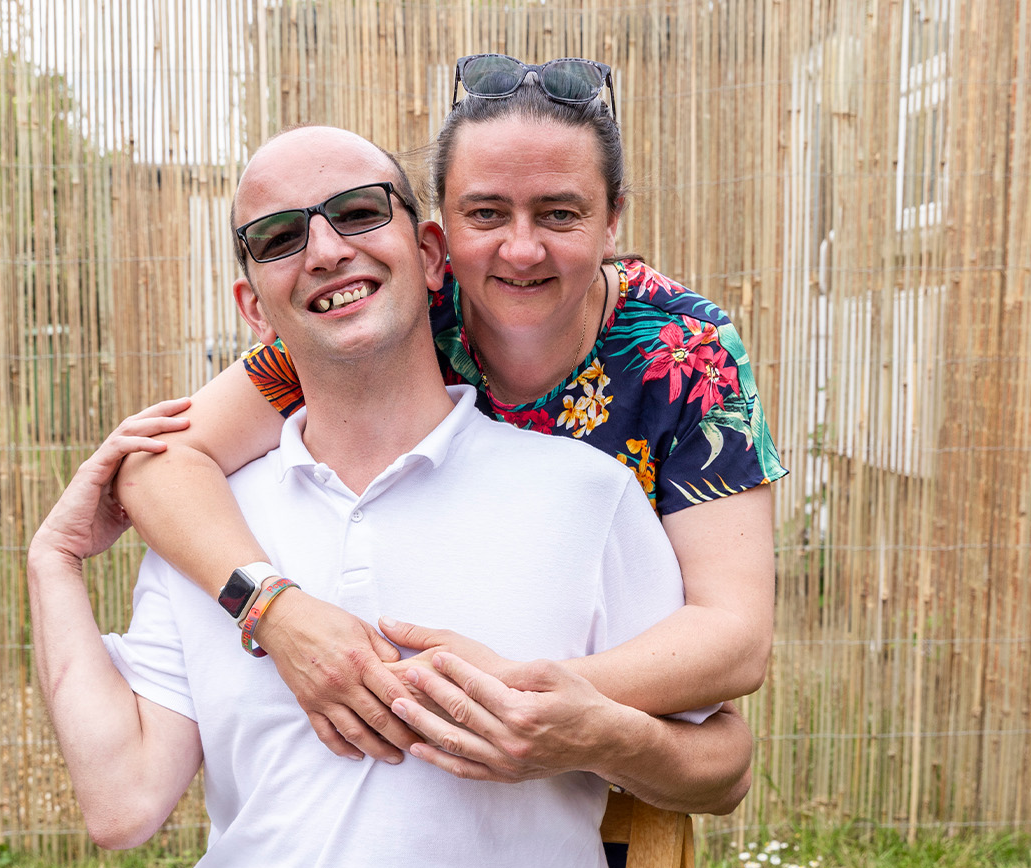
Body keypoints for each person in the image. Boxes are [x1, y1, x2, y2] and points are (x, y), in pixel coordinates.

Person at [28, 125, 751, 868]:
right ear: (253, 307)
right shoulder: (211, 529)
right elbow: (121, 805)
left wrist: (595, 732)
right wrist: (54, 562)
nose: (326, 250)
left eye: (360, 212)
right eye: (277, 237)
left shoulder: (587, 495)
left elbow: (724, 766)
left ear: (432, 254)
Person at [114, 54, 787, 772]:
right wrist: (277, 612)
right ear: (438, 233)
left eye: (560, 214)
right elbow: (158, 463)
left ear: (613, 219)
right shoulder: (393, 311)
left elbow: (735, 636)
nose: (521, 249)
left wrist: (517, 698)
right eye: (486, 214)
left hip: (606, 745)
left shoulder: (688, 352)